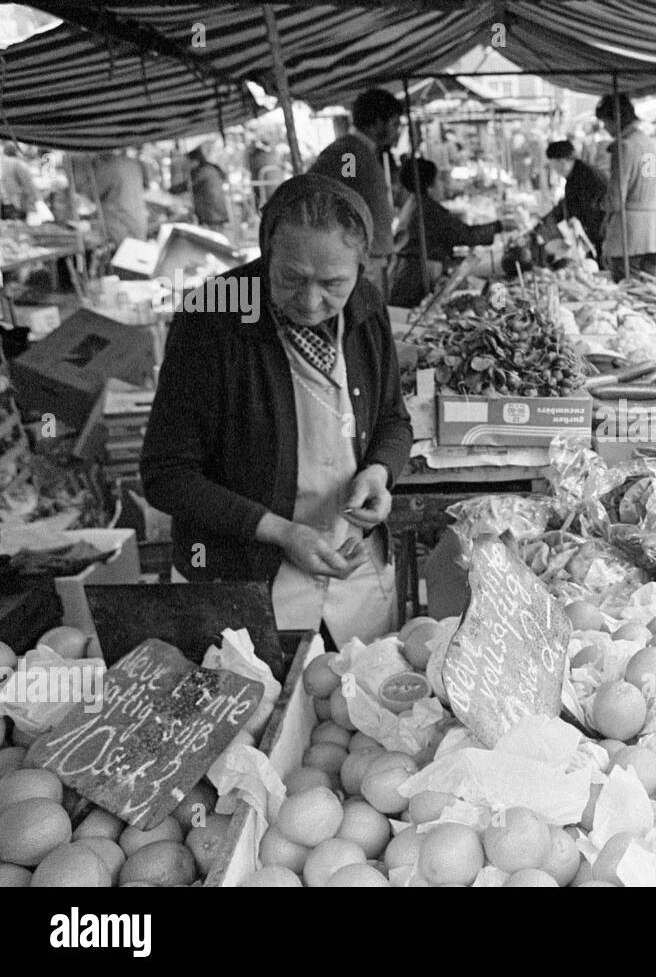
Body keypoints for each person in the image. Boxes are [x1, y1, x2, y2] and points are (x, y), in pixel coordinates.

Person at [141, 174, 412, 644]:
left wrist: (380, 473)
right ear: (267, 251)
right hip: (246, 585)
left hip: (354, 576)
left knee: (356, 705)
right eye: (290, 278)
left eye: (332, 283)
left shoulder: (366, 306)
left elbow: (392, 418)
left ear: (361, 266)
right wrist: (281, 532)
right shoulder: (211, 318)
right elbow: (168, 474)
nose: (311, 301)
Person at [310, 88, 404, 289]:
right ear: (378, 122)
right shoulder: (349, 153)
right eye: (395, 124)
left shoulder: (361, 151)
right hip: (360, 261)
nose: (397, 131)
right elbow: (345, 191)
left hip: (371, 257)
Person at [388, 158, 507, 311]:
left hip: (405, 274)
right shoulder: (428, 210)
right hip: (414, 279)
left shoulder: (415, 202)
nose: (442, 185)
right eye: (438, 180)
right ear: (428, 186)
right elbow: (466, 235)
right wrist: (499, 226)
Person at [596, 92, 656, 281]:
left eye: (606, 122)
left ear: (616, 119)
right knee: (651, 295)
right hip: (655, 231)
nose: (606, 128)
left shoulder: (624, 147)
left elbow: (615, 201)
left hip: (628, 235)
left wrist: (599, 203)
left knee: (628, 296)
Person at [542, 140, 607, 257]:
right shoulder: (576, 174)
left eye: (554, 166)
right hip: (594, 233)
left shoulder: (586, 176)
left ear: (561, 162)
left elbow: (589, 209)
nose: (555, 171)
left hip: (600, 234)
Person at [90, 150, 149, 247]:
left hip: (121, 228)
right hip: (138, 224)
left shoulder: (110, 167)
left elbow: (93, 193)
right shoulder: (132, 163)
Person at [172, 146, 230, 229]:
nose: (187, 165)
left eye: (188, 162)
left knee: (212, 237)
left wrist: (171, 191)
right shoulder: (209, 169)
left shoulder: (203, 172)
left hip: (211, 213)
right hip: (215, 212)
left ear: (194, 161)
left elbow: (188, 185)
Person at [1, 142, 40, 220]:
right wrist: (32, 204)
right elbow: (28, 185)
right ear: (16, 152)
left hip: (4, 203)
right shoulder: (19, 164)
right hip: (16, 203)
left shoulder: (2, 162)